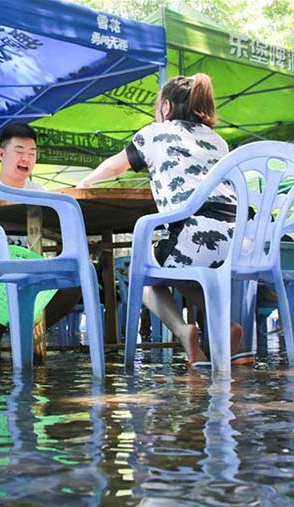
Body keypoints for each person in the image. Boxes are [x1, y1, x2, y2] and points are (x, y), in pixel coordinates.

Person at [77, 73, 244, 367]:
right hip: (235, 242)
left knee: (141, 274)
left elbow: (115, 167)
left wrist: (84, 183)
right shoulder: (218, 141)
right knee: (183, 271)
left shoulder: (156, 132)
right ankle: (224, 325)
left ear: (166, 107)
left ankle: (183, 332)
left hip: (191, 237)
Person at [0, 123, 82, 349]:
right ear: (1, 154)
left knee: (74, 280)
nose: (26, 159)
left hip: (33, 268)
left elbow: (62, 229)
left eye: (32, 154)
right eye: (19, 152)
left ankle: (21, 327)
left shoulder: (40, 192)